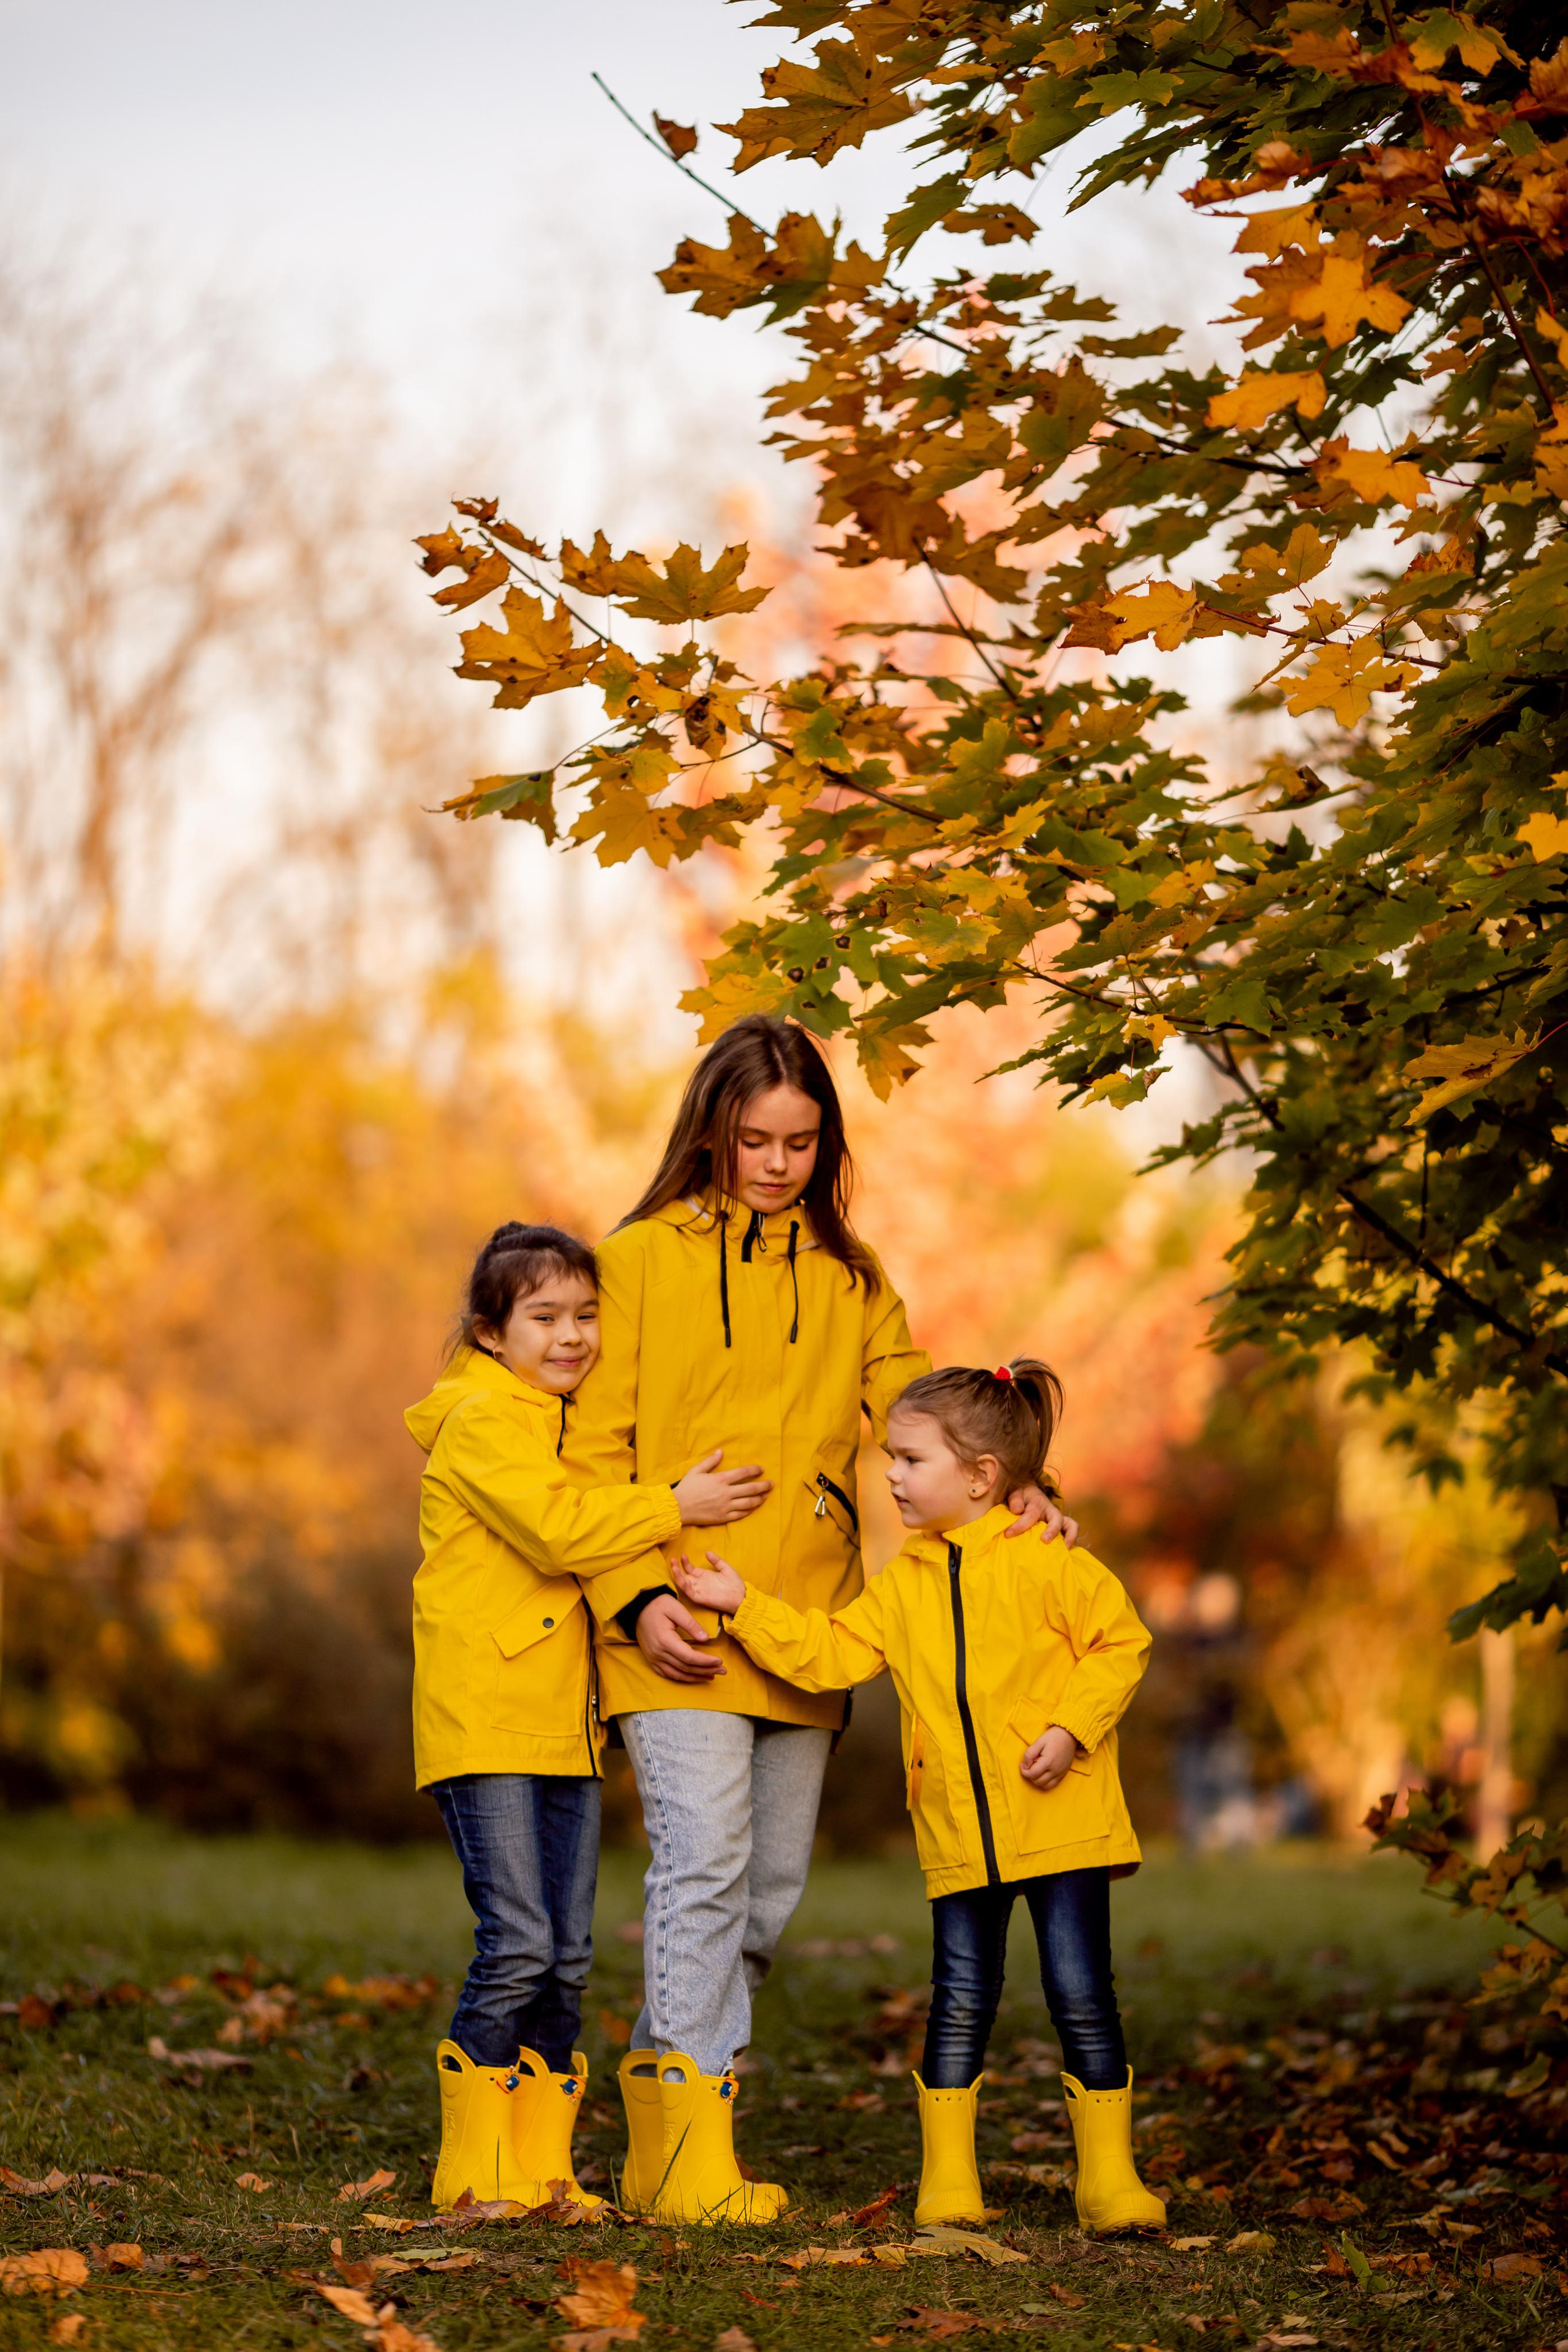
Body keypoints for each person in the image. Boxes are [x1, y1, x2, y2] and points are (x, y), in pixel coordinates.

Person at [565, 1016, 1076, 2222]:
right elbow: (589, 1455)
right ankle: (691, 2164)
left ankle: (667, 2131)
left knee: (762, 1899)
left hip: (808, 1625)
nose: (776, 1164)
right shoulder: (635, 1264)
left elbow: (924, 1413)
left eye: (800, 1143)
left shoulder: (852, 1277)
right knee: (703, 1869)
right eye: (754, 1139)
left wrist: (1018, 1480)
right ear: (710, 1131)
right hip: (678, 1614)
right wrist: (634, 1598)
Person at [674, 1356, 1165, 2236]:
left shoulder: (1049, 1559)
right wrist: (744, 1606)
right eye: (889, 1459)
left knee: (1083, 1995)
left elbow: (1120, 1644)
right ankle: (949, 2180)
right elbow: (832, 1653)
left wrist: (1070, 1729)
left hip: (1064, 1824)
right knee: (959, 2001)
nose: (892, 1476)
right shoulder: (903, 1582)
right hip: (959, 1835)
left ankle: (1110, 2181)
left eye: (910, 1459)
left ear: (980, 1476)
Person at [404, 1221, 769, 2212]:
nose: (571, 1336)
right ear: (490, 1333)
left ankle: (542, 2169)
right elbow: (561, 1530)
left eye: (585, 1315)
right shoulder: (482, 1421)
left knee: (565, 1960)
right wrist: (674, 1502)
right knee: (518, 1942)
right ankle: (472, 2167)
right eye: (544, 1317)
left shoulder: (561, 1423)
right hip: (486, 1717)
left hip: (564, 1721)